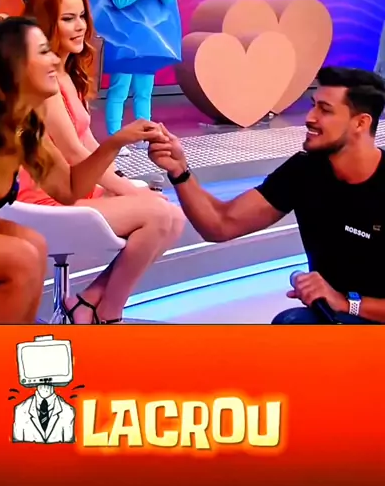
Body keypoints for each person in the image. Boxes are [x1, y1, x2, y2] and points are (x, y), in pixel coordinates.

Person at [0, 16, 162, 325]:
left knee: (34, 245)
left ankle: (7, 350)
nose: (54, 59)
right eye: (43, 51)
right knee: (21, 258)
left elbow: (70, 190)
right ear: (13, 63)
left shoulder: (23, 125)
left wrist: (115, 143)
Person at [148, 67, 385, 324]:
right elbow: (220, 224)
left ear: (361, 123)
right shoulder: (306, 169)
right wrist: (179, 171)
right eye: (313, 106)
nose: (310, 117)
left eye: (325, 110)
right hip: (335, 316)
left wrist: (346, 303)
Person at [18, 0, 186, 324]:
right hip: (46, 199)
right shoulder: (42, 80)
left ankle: (90, 303)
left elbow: (88, 145)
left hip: (76, 187)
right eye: (68, 19)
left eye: (82, 16)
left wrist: (123, 181)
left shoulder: (66, 74)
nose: (80, 26)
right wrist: (131, 191)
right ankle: (107, 312)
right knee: (158, 215)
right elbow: (75, 154)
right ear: (47, 24)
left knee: (173, 218)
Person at [103, 0, 179, 154]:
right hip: (125, 42)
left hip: (148, 42)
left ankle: (144, 135)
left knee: (144, 92)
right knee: (119, 91)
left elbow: (167, 1)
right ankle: (115, 138)